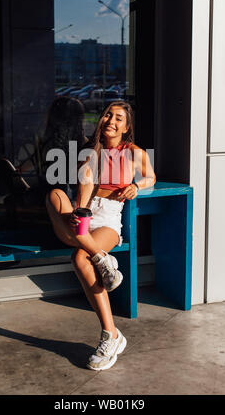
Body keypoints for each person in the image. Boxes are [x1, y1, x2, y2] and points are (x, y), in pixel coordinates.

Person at [46, 101, 156, 370]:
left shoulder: (133, 152)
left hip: (107, 218)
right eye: (108, 115)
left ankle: (111, 335)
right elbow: (85, 181)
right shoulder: (89, 150)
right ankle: (101, 258)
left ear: (126, 127)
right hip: (84, 212)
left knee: (80, 259)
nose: (111, 120)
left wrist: (135, 185)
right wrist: (81, 211)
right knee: (55, 195)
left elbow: (151, 177)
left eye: (119, 118)